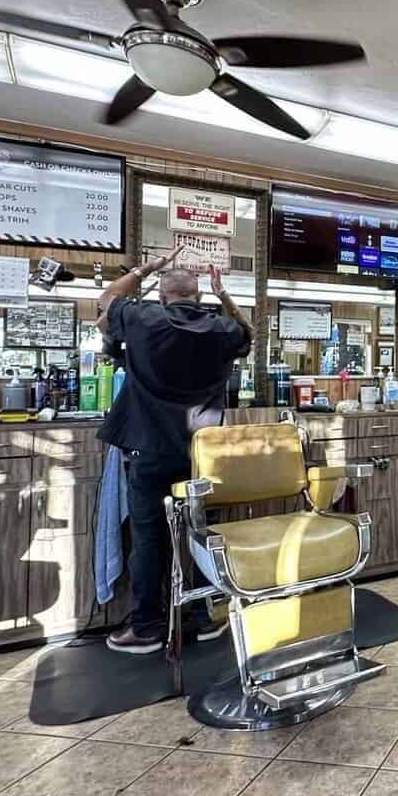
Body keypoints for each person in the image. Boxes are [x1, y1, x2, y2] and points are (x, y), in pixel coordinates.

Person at [96, 249, 254, 654]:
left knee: (149, 538)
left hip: (150, 449)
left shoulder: (142, 319)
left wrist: (144, 269)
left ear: (162, 296)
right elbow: (247, 332)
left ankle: (147, 626)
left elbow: (106, 300)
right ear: (198, 296)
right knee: (199, 533)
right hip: (202, 453)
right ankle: (201, 618)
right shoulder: (222, 329)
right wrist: (223, 294)